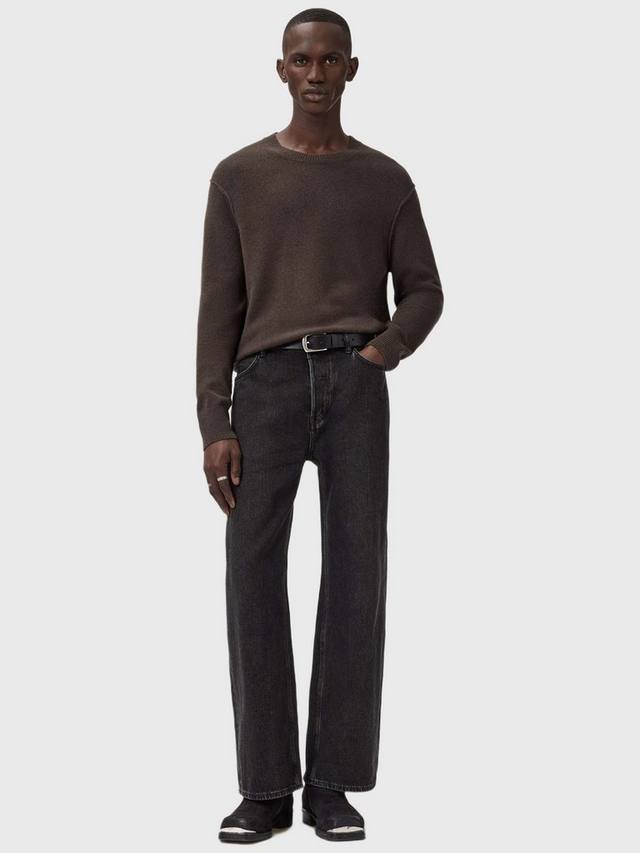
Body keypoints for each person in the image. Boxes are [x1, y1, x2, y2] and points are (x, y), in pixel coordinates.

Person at [196, 8, 444, 844]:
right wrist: (214, 419)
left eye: (330, 59)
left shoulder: (385, 179)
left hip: (355, 385)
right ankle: (266, 788)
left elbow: (425, 289)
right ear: (280, 69)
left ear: (352, 69)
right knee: (251, 572)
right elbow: (218, 309)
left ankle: (331, 784)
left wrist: (381, 353)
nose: (315, 73)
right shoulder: (238, 176)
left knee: (355, 573)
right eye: (301, 59)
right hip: (264, 385)